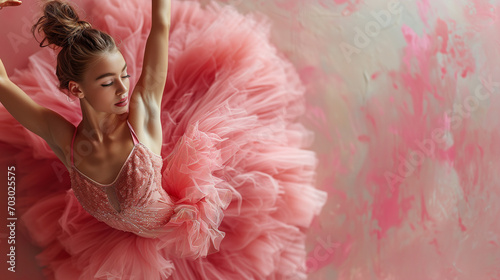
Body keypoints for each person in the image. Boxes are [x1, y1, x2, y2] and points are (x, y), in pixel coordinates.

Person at [0, 0, 328, 279]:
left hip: (197, 231)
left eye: (124, 75)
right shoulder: (63, 140)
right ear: (76, 90)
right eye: (106, 82)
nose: (122, 89)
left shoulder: (141, 114)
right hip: (131, 253)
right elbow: (3, 85)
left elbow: (160, 25)